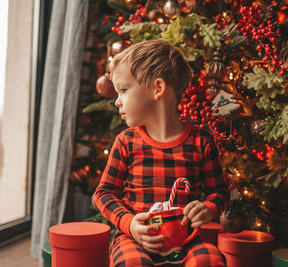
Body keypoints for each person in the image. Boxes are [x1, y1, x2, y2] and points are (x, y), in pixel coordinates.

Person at [95, 39, 229, 267]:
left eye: (124, 90)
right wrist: (129, 224)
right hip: (134, 238)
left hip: (186, 240)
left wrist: (208, 208)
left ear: (158, 89)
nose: (117, 102)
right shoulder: (125, 142)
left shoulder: (201, 141)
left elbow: (220, 193)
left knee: (209, 260)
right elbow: (104, 193)